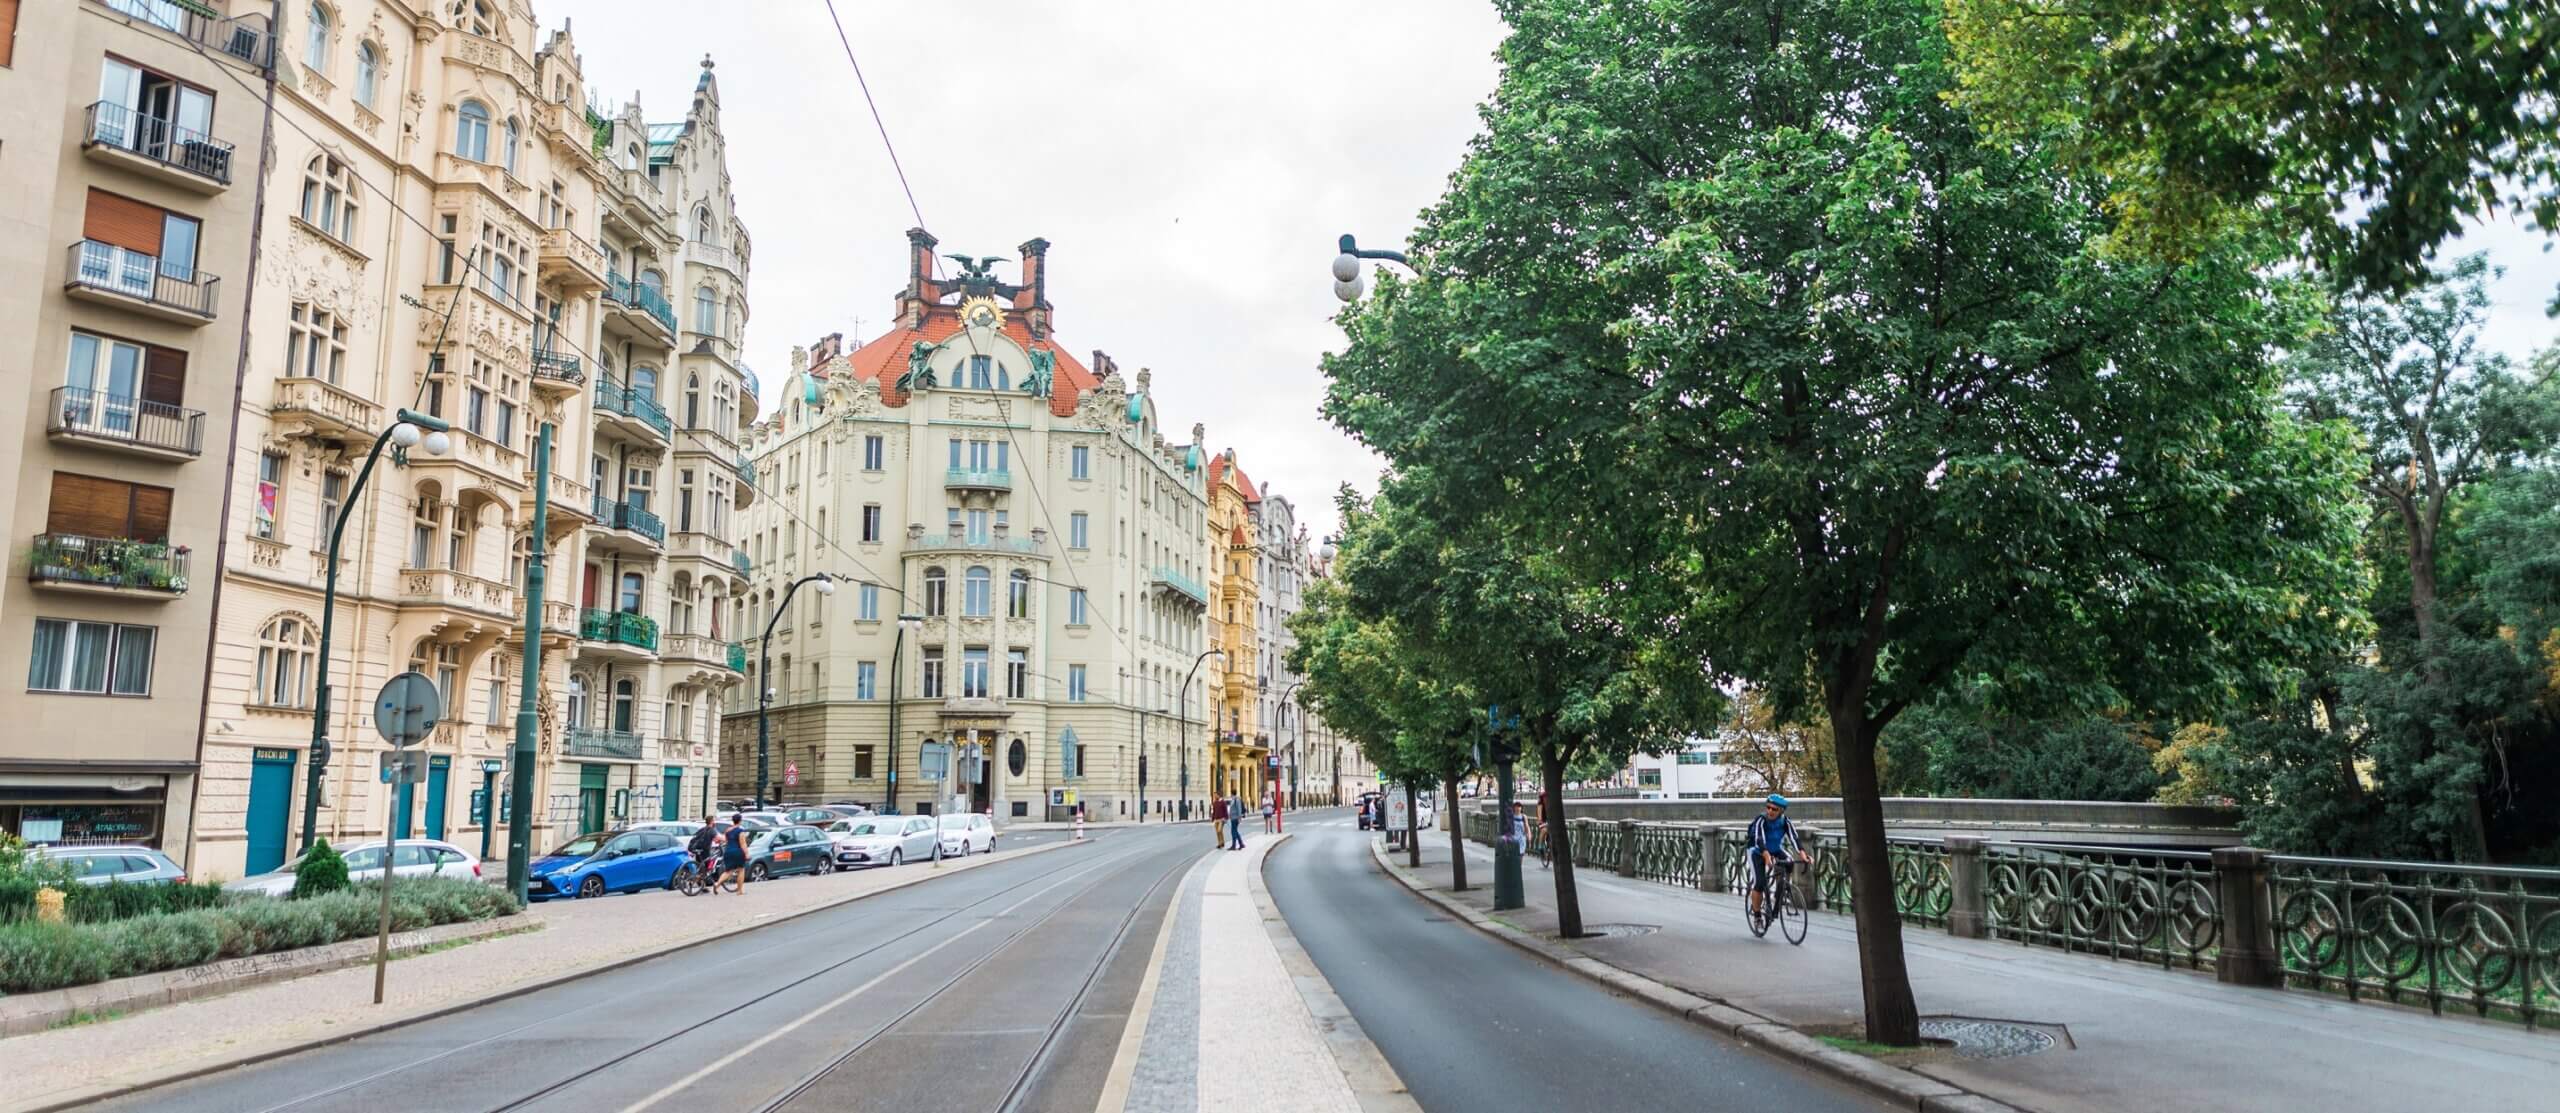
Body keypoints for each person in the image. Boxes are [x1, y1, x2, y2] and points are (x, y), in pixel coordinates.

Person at [1746, 794, 1808, 923]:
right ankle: (1757, 915)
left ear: (1781, 811)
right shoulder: (1761, 820)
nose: (1770, 811)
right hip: (1756, 851)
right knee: (1760, 883)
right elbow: (1759, 839)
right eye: (1768, 807)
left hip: (1775, 849)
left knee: (1790, 861)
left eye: (1774, 809)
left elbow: (1794, 837)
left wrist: (1802, 853)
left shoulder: (1785, 821)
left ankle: (1782, 888)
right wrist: (1766, 855)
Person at [687, 815, 722, 894]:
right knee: (705, 870)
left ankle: (703, 886)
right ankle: (692, 881)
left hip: (698, 850)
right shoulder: (711, 830)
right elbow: (718, 838)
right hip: (704, 851)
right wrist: (725, 840)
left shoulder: (703, 829)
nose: (715, 821)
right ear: (712, 821)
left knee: (701, 868)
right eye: (714, 820)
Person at [719, 812, 750, 891]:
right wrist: (746, 854)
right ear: (740, 821)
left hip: (728, 851)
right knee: (741, 869)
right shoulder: (740, 831)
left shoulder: (728, 830)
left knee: (728, 871)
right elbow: (743, 844)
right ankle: (740, 891)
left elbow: (726, 841)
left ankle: (717, 883)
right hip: (737, 852)